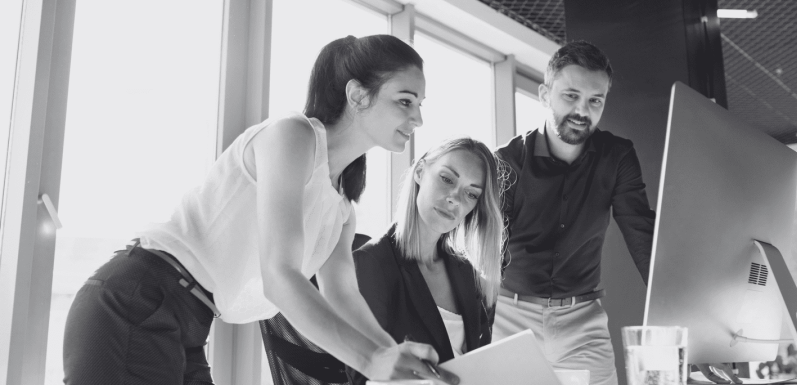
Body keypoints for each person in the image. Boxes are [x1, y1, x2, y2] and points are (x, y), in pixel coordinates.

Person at [62, 34, 457, 385]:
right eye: (405, 101)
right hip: (137, 299)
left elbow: (344, 296)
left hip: (190, 319)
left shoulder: (341, 207)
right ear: (358, 95)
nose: (417, 118)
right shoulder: (293, 136)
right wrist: (372, 361)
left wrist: (397, 363)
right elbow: (279, 275)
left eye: (420, 104)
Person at [492, 40, 656, 385]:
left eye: (595, 100)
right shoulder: (506, 161)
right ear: (544, 94)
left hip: (583, 320)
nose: (583, 110)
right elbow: (485, 246)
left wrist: (675, 303)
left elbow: (640, 231)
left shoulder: (618, 156)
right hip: (509, 316)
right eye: (571, 96)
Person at [347, 138, 506, 384]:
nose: (455, 198)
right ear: (420, 172)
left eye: (471, 194)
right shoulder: (372, 264)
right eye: (447, 179)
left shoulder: (468, 274)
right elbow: (362, 375)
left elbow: (480, 364)